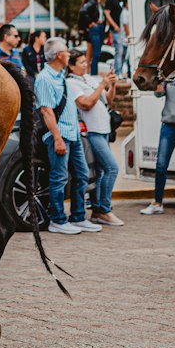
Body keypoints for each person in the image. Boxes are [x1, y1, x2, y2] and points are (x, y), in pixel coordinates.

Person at [33, 37, 102, 235]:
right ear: (58, 55)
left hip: (73, 133)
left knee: (81, 175)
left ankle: (78, 216)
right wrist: (56, 138)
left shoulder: (60, 75)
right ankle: (58, 219)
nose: (69, 54)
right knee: (59, 177)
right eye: (66, 51)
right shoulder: (44, 79)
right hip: (60, 135)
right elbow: (46, 111)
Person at [66, 49, 122, 226]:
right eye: (81, 62)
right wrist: (101, 84)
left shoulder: (88, 78)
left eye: (85, 61)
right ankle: (103, 209)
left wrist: (111, 85)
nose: (85, 64)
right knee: (112, 167)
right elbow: (86, 104)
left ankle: (97, 209)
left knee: (99, 172)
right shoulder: (71, 83)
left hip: (104, 130)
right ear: (71, 66)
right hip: (92, 131)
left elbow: (108, 100)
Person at [140, 74, 175, 217]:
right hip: (168, 124)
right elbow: (158, 94)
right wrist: (159, 82)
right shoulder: (167, 76)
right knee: (161, 165)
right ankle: (157, 203)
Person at [79, 0, 107, 70]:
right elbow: (82, 11)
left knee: (90, 53)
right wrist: (91, 22)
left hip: (99, 28)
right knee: (96, 53)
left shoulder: (99, 4)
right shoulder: (92, 2)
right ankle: (93, 72)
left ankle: (88, 71)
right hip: (95, 29)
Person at [106, 0, 130, 77]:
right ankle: (118, 72)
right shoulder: (111, 0)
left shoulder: (124, 1)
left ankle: (120, 70)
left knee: (124, 52)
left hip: (125, 31)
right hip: (117, 30)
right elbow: (107, 13)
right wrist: (114, 25)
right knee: (119, 51)